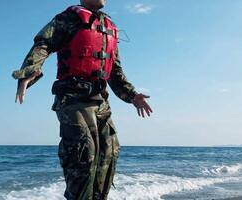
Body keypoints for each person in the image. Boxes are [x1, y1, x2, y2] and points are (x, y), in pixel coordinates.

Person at [12, 0, 152, 199]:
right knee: (83, 153)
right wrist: (30, 70)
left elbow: (115, 72)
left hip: (100, 101)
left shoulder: (109, 28)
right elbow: (44, 43)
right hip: (73, 97)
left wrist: (132, 95)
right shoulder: (68, 19)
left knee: (109, 152)